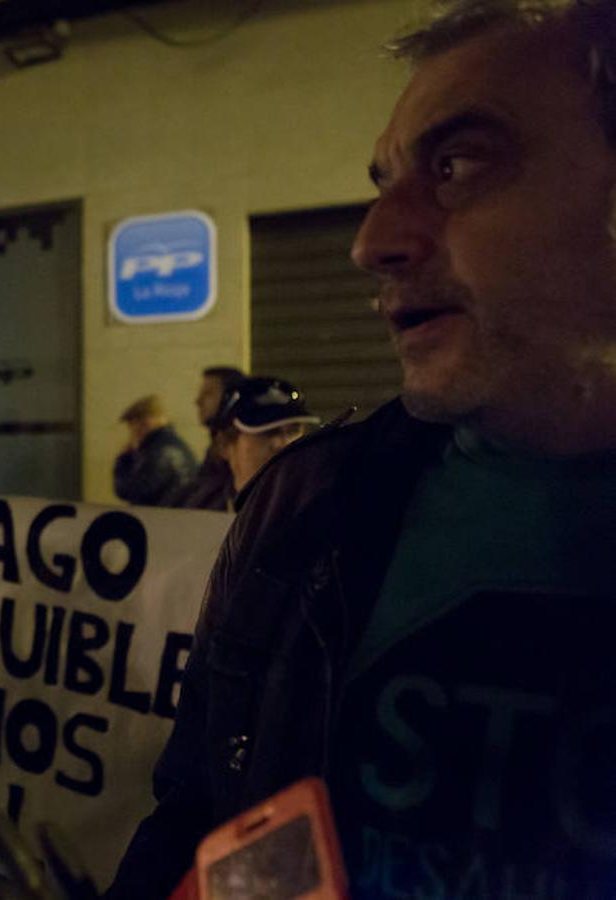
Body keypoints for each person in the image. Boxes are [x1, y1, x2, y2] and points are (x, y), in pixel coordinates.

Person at [108, 2, 616, 897]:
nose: (372, 242)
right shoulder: (306, 507)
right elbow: (196, 819)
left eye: (458, 165)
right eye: (385, 181)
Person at [211, 376, 319, 508]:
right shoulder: (193, 509)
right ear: (224, 446)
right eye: (267, 432)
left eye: (293, 431)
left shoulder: (324, 509)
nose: (283, 444)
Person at [166, 366, 245, 510]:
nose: (198, 401)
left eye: (208, 394)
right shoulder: (215, 446)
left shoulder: (242, 448)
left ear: (231, 397)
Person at [112, 395, 197, 507]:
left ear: (144, 423)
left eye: (132, 425)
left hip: (160, 520)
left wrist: (124, 459)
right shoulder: (176, 445)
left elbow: (130, 490)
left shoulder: (157, 452)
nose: (131, 433)